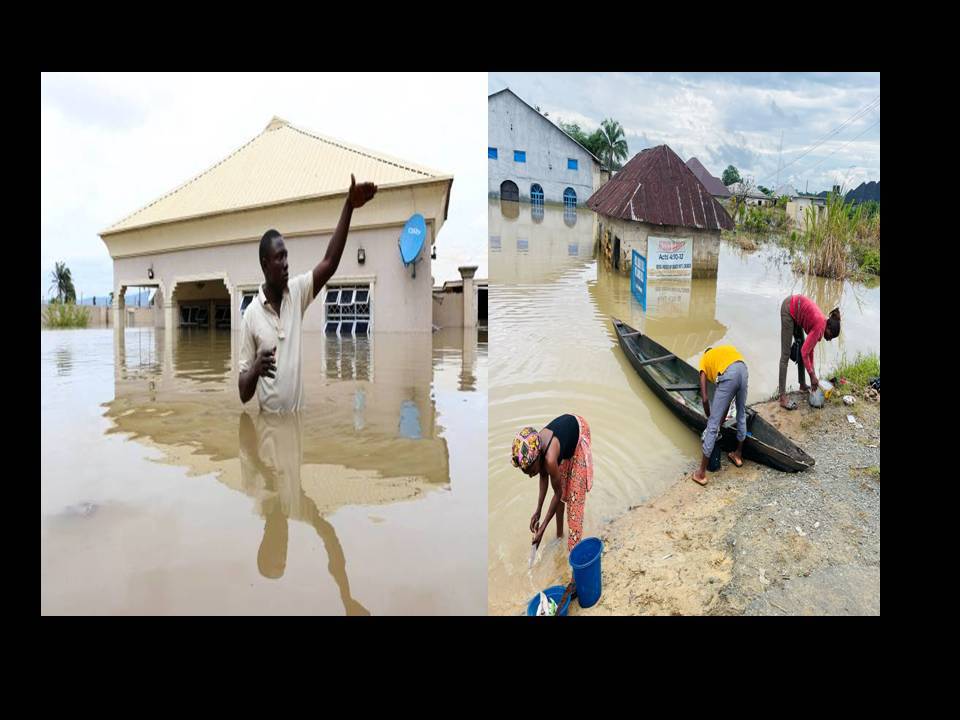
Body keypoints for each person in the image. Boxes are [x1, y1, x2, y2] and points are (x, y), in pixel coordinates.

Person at [238, 174, 378, 411]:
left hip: (296, 427)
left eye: (286, 256)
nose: (285, 263)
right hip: (269, 433)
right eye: (278, 257)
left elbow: (330, 262)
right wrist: (255, 370)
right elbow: (243, 393)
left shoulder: (297, 292)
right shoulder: (251, 315)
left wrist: (349, 207)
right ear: (264, 264)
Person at [511, 414, 593, 553]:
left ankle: (573, 554)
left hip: (579, 436)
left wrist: (542, 528)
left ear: (538, 458)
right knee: (560, 495)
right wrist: (538, 511)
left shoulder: (549, 459)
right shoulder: (538, 448)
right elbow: (543, 477)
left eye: (531, 471)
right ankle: (559, 536)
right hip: (565, 438)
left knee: (574, 505)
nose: (531, 476)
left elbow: (558, 492)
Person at [691, 345, 748, 486]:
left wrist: (711, 418)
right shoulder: (724, 352)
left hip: (729, 374)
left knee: (712, 425)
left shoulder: (704, 359)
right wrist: (721, 421)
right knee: (741, 415)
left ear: (706, 353)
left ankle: (701, 473)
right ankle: (738, 455)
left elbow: (704, 399)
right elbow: (727, 401)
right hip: (743, 370)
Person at [778, 294, 841, 410]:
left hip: (796, 311)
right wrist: (812, 375)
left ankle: (802, 384)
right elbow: (804, 352)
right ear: (828, 329)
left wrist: (813, 375)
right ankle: (782, 397)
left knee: (803, 346)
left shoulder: (822, 325)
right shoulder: (819, 327)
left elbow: (809, 350)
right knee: (785, 355)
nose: (829, 339)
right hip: (788, 309)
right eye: (831, 336)